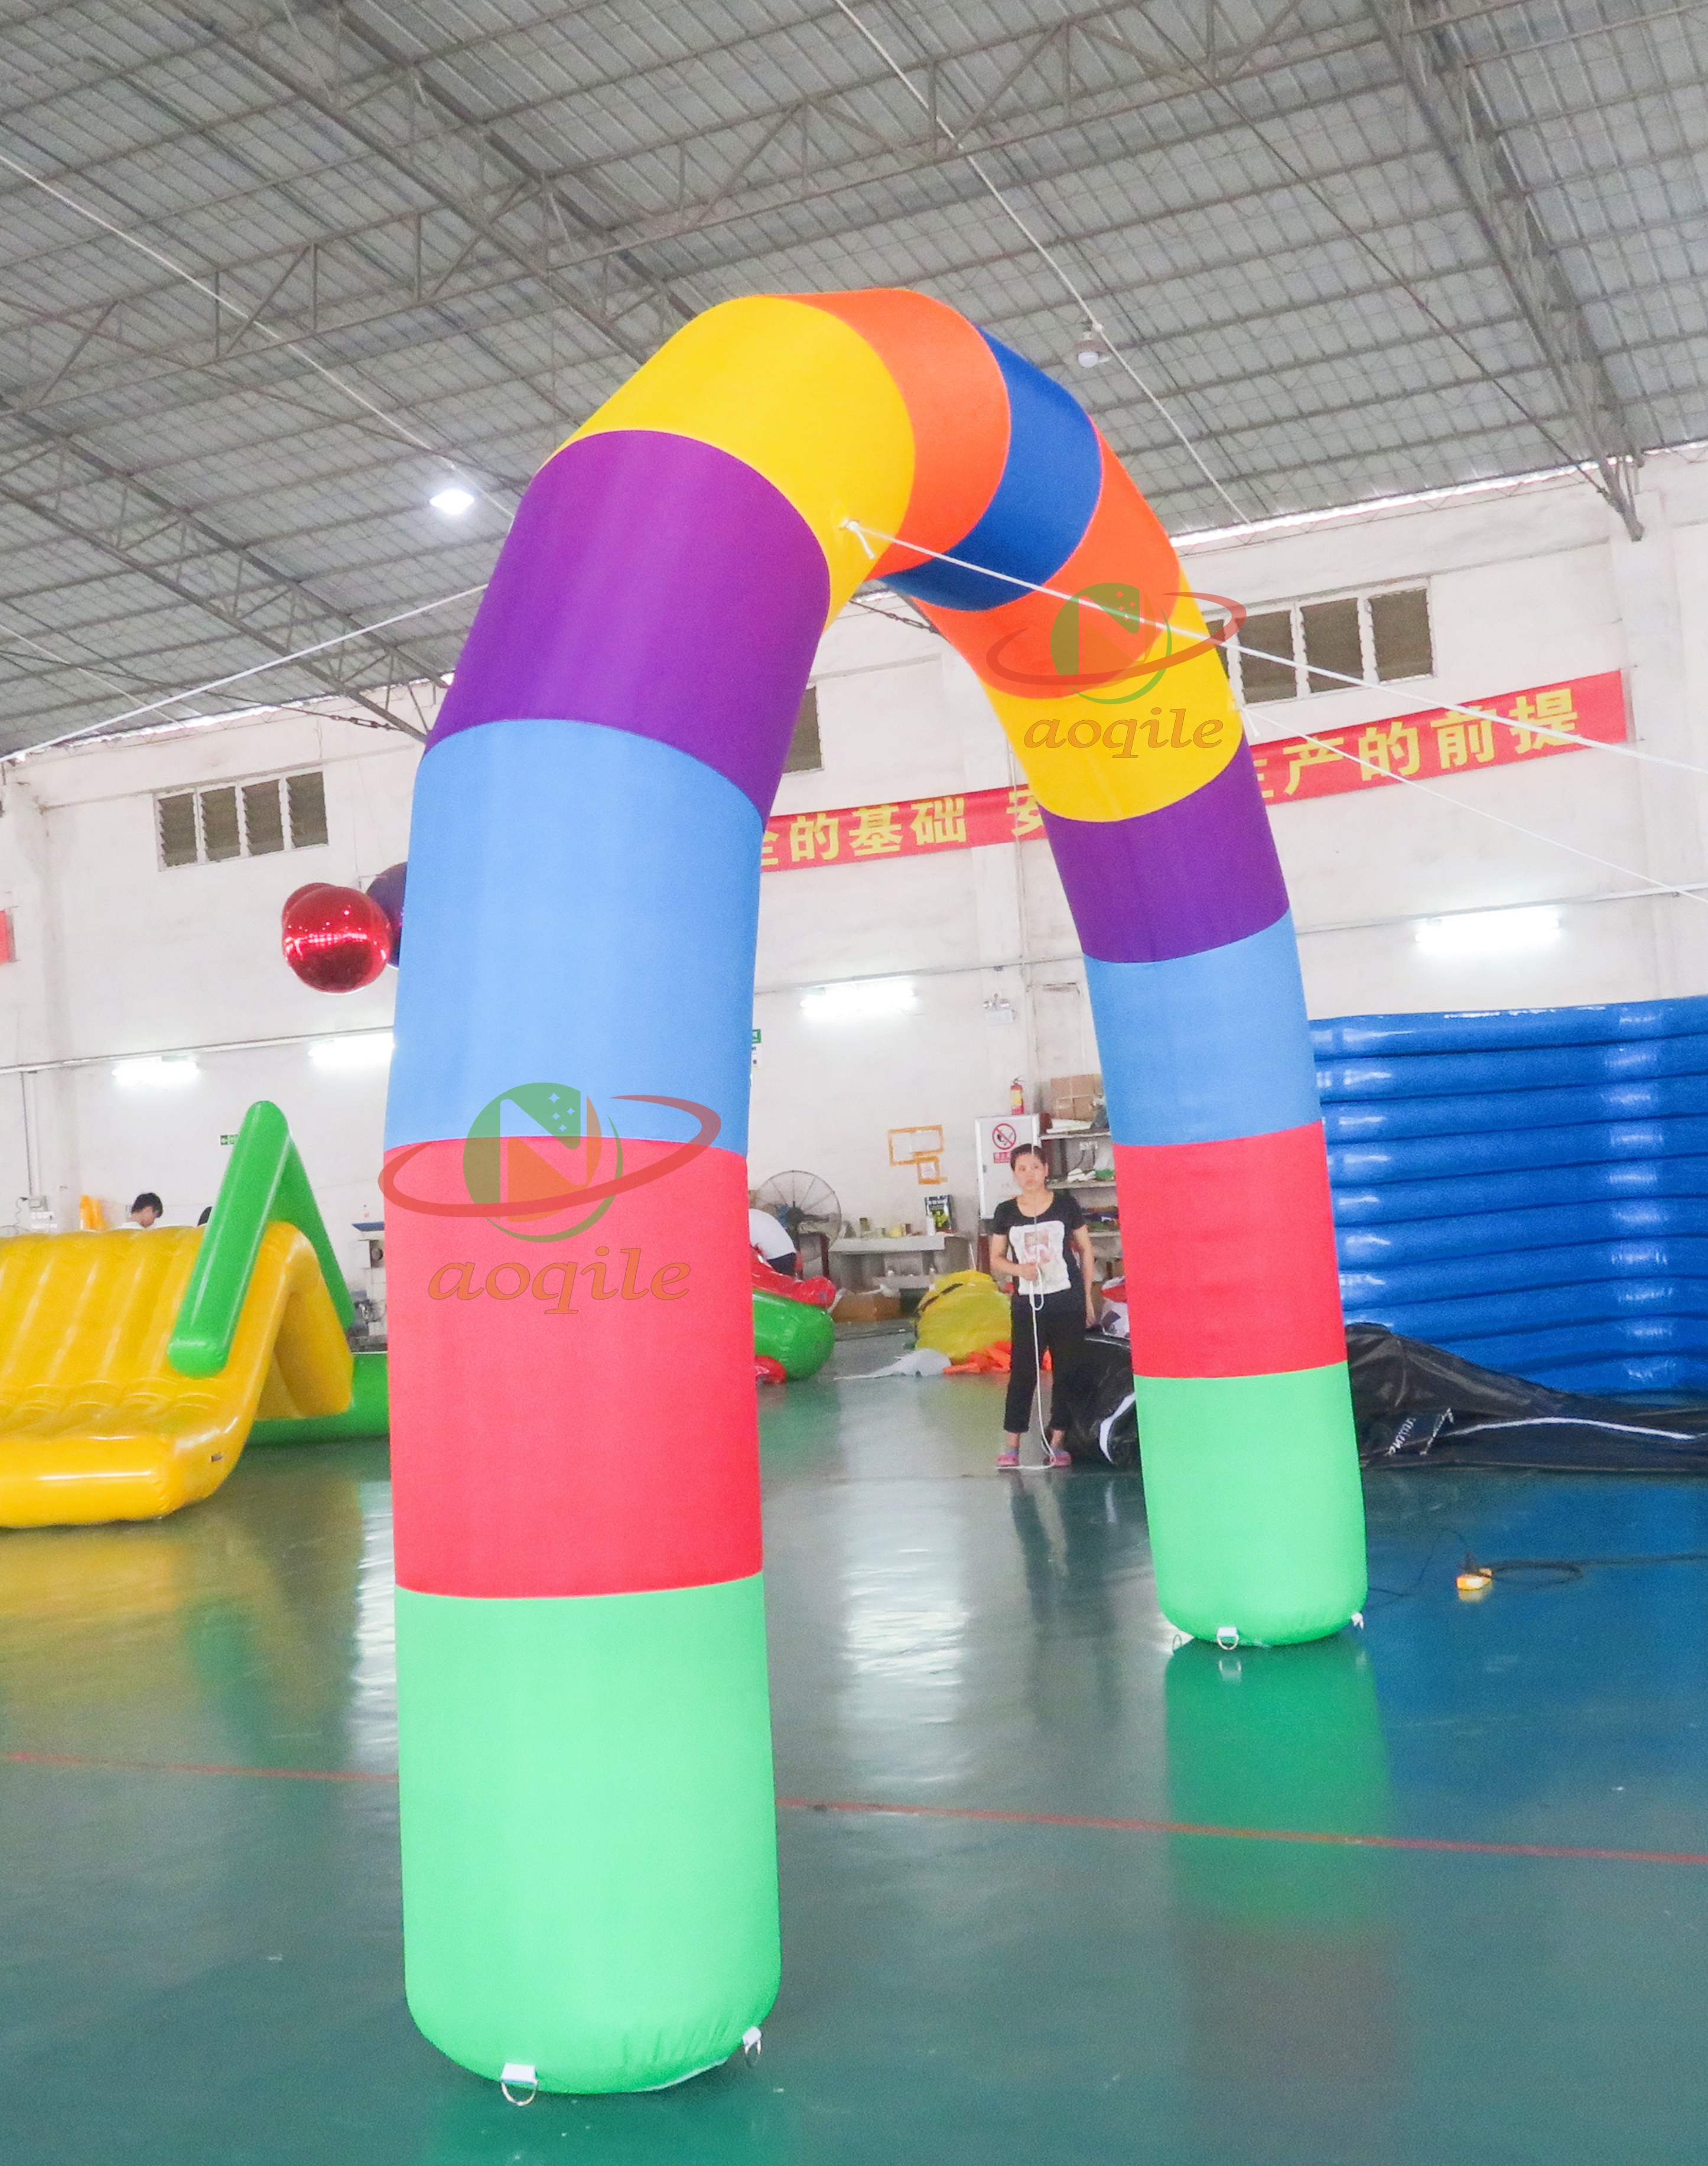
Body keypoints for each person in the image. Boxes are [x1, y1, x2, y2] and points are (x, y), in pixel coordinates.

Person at [988, 1143, 1095, 1470]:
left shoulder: (1066, 1205)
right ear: (1014, 1174)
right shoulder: (1005, 1212)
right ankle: (1013, 1443)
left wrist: (1087, 1298)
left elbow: (1087, 1251)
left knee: (1067, 1371)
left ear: (1046, 1170)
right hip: (1028, 1303)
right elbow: (995, 1259)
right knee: (1023, 1371)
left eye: (1035, 1167)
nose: (1030, 1174)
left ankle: (1057, 1440)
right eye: (1022, 1168)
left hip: (1067, 1299)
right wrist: (1019, 1270)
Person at [748, 1201, 798, 1277]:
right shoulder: (758, 1213)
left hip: (775, 1258)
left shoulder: (744, 1218)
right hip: (790, 1253)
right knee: (787, 1283)